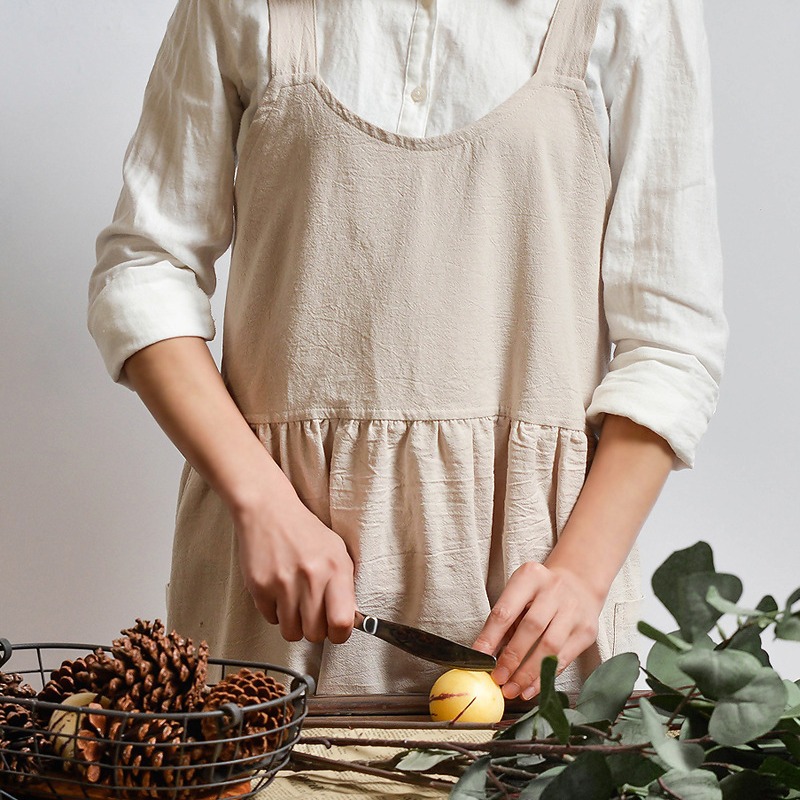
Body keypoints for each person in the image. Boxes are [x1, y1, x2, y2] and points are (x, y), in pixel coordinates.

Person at [88, 0, 728, 699]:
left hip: (536, 606)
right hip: (279, 587)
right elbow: (145, 268)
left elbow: (670, 337)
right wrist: (260, 500)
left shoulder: (636, 10)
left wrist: (580, 573)